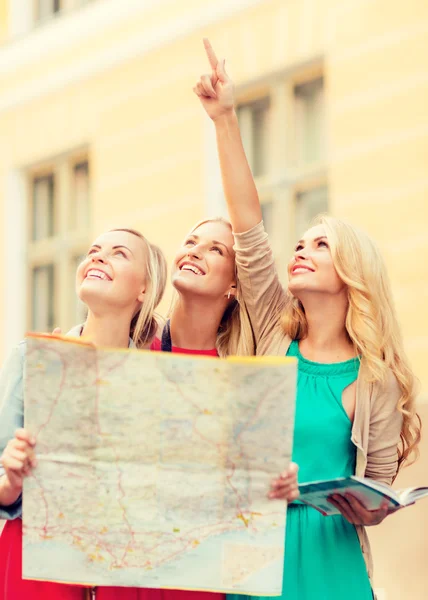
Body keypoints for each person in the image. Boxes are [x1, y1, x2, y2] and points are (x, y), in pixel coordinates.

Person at [192, 39, 421, 600]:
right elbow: (247, 220)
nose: (300, 250)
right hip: (253, 559)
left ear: (351, 272)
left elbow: (377, 499)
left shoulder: (377, 379)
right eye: (299, 242)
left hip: (331, 567)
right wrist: (224, 118)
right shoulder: (272, 331)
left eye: (320, 244)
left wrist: (352, 502)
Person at [0, 228, 167, 600]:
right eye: (93, 250)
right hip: (37, 569)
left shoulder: (160, 379)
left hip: (123, 572)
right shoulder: (33, 358)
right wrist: (11, 479)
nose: (98, 257)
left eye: (119, 253)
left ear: (144, 289)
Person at [150, 217, 254, 357]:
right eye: (190, 242)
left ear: (234, 284)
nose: (193, 251)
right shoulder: (139, 340)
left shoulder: (237, 367)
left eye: (216, 250)